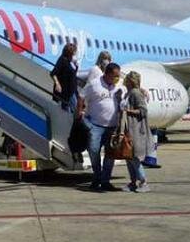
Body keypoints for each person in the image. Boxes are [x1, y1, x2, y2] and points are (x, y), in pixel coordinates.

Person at [79, 62, 123, 191]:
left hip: (113, 126)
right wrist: (79, 113)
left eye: (118, 76)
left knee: (110, 154)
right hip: (95, 125)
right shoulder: (94, 84)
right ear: (107, 74)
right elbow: (81, 96)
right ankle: (97, 176)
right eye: (115, 76)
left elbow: (129, 91)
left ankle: (105, 180)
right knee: (93, 150)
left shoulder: (119, 85)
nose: (117, 78)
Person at [122, 71, 152, 193]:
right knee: (128, 156)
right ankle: (133, 182)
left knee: (134, 157)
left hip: (135, 129)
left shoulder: (135, 93)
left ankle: (143, 181)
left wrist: (129, 111)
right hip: (127, 128)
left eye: (127, 79)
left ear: (130, 81)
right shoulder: (128, 93)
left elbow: (143, 110)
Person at [50, 43, 79, 114]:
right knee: (68, 111)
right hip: (64, 92)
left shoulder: (70, 62)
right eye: (74, 52)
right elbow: (53, 73)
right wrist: (57, 84)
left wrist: (76, 66)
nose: (75, 54)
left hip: (72, 91)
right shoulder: (62, 60)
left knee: (74, 110)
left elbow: (73, 75)